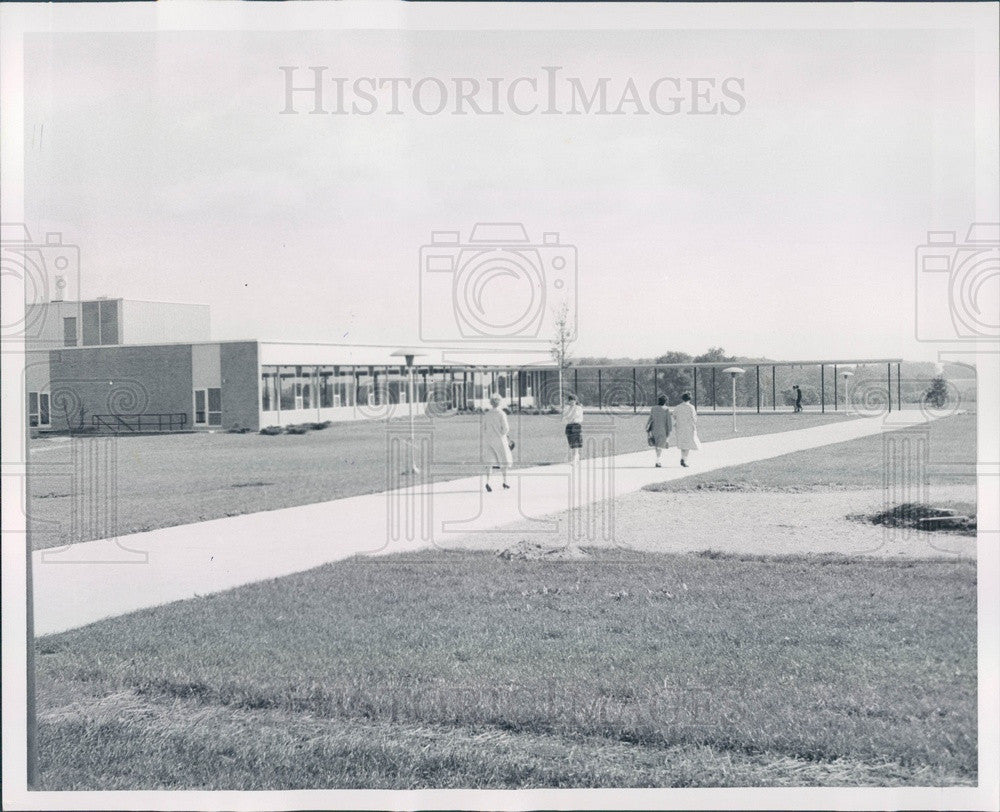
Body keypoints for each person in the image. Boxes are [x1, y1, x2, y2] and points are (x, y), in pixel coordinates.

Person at [483, 394, 511, 492]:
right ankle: (505, 482)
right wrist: (503, 434)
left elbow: (483, 428)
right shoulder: (501, 413)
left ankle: (488, 482)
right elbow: (506, 428)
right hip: (499, 439)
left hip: (489, 440)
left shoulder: (487, 414)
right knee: (504, 460)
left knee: (489, 461)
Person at [671, 392, 700, 467]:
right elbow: (694, 418)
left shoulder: (678, 407)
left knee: (682, 444)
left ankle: (683, 458)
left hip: (680, 427)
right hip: (689, 427)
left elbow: (674, 416)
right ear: (690, 399)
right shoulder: (691, 407)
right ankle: (684, 459)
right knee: (688, 444)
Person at [646, 394, 672, 467]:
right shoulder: (666, 409)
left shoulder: (653, 408)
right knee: (660, 446)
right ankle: (658, 461)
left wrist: (647, 427)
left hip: (654, 429)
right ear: (665, 401)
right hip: (662, 430)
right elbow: (668, 421)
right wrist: (669, 430)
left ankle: (658, 459)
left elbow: (650, 418)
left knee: (657, 445)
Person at [563, 392, 584, 464]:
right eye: (570, 400)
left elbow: (577, 417)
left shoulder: (579, 408)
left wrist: (570, 417)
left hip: (576, 425)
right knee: (571, 442)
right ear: (569, 401)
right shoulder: (567, 408)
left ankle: (576, 456)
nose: (572, 401)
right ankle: (576, 456)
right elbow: (565, 417)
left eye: (573, 400)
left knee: (576, 442)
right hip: (569, 426)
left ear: (576, 401)